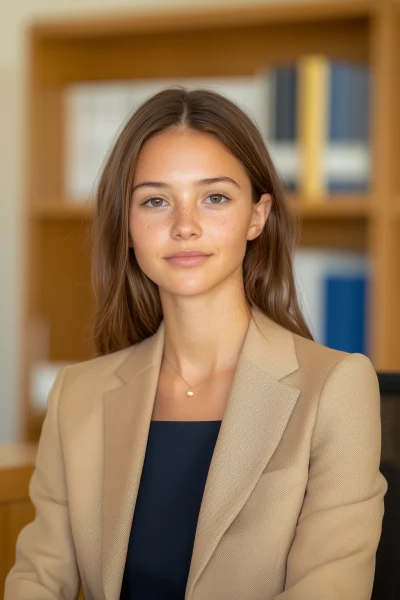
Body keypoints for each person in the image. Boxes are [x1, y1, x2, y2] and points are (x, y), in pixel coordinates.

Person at [5, 87, 387, 600]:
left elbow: (329, 588)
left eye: (215, 198)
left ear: (257, 215)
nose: (185, 226)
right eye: (156, 201)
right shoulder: (78, 394)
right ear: (128, 226)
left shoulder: (335, 388)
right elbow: (37, 580)